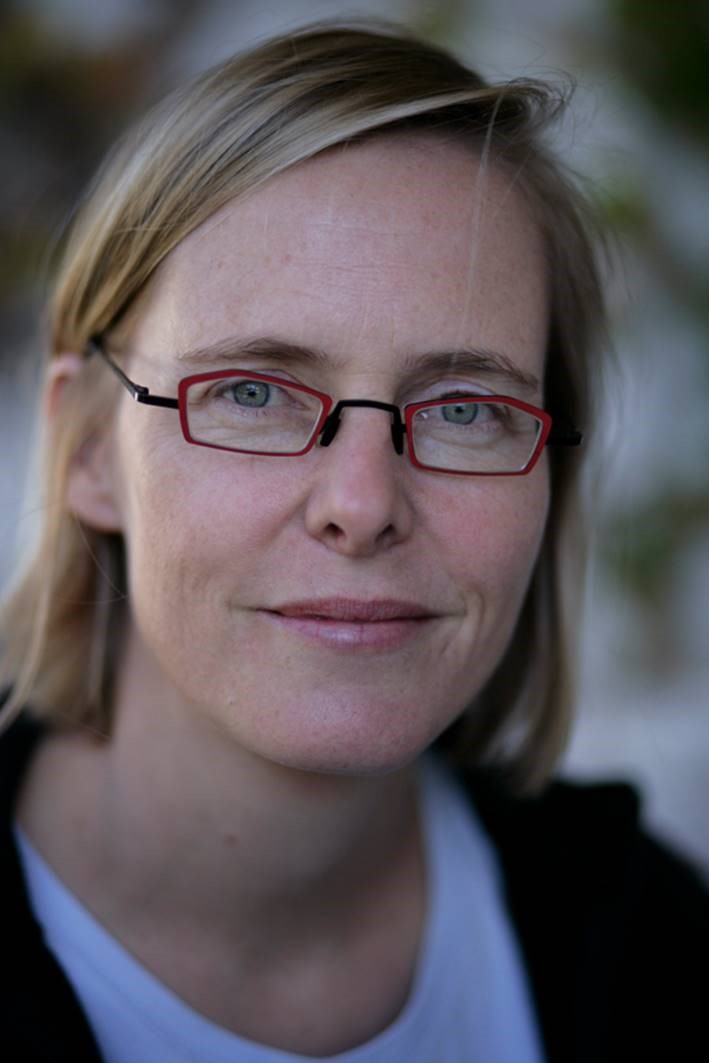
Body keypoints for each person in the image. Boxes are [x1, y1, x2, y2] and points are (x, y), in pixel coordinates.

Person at [0, 20, 706, 1063]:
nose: (363, 502)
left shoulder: (655, 952)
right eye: (252, 392)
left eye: (464, 408)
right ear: (90, 449)